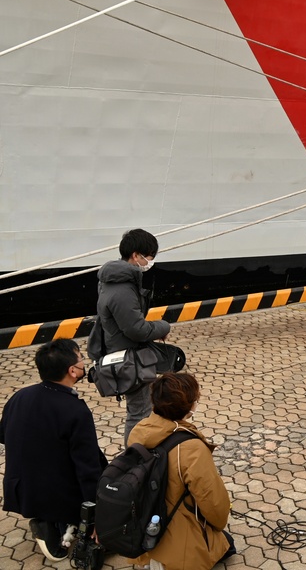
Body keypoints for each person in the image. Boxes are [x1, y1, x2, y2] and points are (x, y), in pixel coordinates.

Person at [0, 339, 108, 561]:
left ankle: (49, 519)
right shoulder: (75, 410)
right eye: (80, 359)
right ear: (72, 371)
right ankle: (51, 524)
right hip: (52, 495)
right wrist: (96, 516)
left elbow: (3, 435)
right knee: (100, 467)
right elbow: (88, 469)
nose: (83, 362)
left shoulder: (19, 396)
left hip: (19, 489)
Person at [128, 372, 236, 569]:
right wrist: (219, 523)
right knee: (227, 544)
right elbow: (214, 504)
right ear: (190, 406)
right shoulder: (191, 447)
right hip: (179, 544)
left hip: (143, 530)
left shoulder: (139, 431)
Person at [87, 228, 172, 446]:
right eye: (149, 257)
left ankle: (146, 446)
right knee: (138, 411)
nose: (150, 261)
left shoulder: (112, 281)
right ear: (136, 255)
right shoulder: (122, 288)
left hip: (126, 351)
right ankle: (135, 457)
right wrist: (162, 326)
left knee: (145, 405)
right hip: (130, 358)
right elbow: (136, 329)